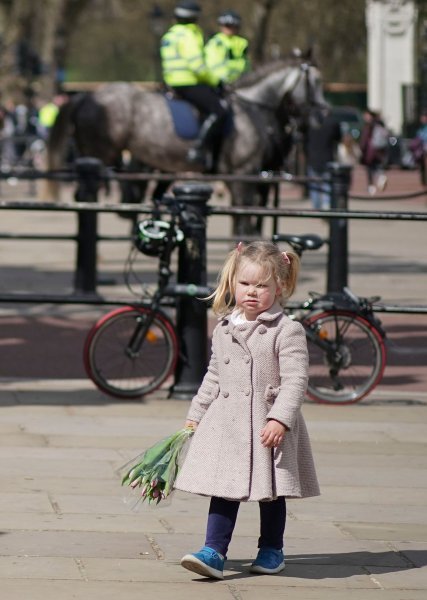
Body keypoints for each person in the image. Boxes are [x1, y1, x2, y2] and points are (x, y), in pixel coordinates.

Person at [175, 241, 320, 580]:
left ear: (279, 287)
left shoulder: (287, 330)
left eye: (262, 286)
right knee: (224, 488)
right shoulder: (225, 327)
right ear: (232, 284)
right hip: (229, 425)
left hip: (266, 426)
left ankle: (272, 549)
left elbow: (296, 380)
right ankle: (213, 550)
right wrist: (196, 414)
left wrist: (279, 419)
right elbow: (214, 375)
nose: (252, 292)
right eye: (245, 284)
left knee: (270, 493)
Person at [160, 1, 228, 169]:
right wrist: (216, 81)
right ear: (195, 18)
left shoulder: (169, 35)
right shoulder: (189, 35)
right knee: (219, 110)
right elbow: (197, 67)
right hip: (188, 83)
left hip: (171, 84)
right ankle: (198, 147)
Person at [305, 107, 342, 210]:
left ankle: (317, 208)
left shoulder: (310, 124)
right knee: (327, 185)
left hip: (313, 159)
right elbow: (338, 138)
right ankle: (326, 205)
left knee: (315, 186)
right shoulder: (333, 123)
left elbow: (304, 141)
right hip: (327, 158)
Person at [204, 10, 249, 85]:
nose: (230, 28)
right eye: (227, 25)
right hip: (220, 82)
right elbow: (214, 64)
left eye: (233, 26)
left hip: (240, 82)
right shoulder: (216, 42)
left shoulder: (243, 43)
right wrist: (223, 80)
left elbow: (246, 64)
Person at [359, 109, 389, 195]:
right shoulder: (380, 124)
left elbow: (364, 140)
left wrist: (362, 148)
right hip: (379, 150)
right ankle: (380, 178)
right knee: (377, 167)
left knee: (370, 169)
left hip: (370, 151)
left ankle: (371, 186)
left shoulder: (369, 126)